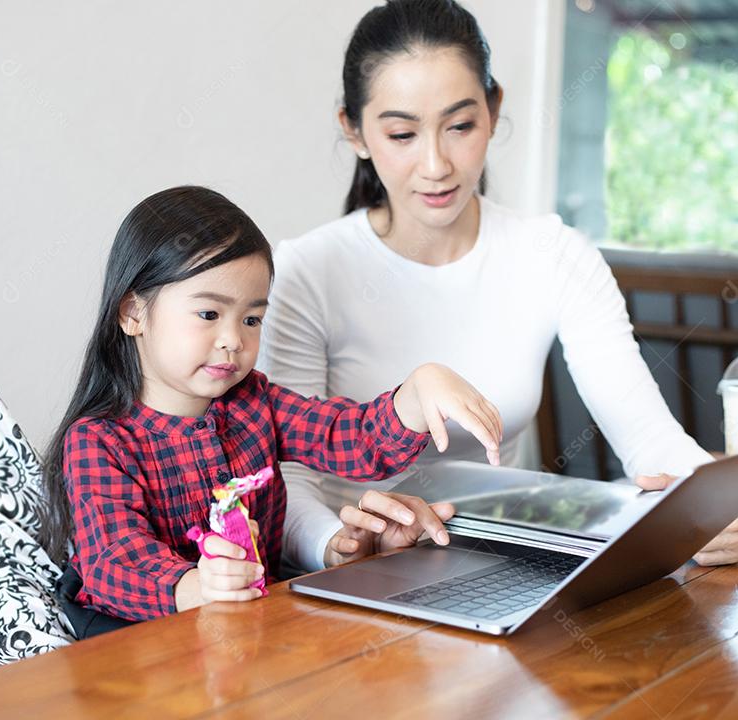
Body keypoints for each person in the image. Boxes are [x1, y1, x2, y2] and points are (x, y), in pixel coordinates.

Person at [257, 0, 738, 574]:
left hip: (504, 561)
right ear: (355, 130)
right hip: (356, 575)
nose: (436, 164)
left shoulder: (553, 254)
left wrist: (708, 505)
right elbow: (284, 478)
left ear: (493, 111)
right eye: (402, 134)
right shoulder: (305, 272)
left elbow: (648, 437)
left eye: (460, 126)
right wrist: (337, 544)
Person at [39, 185, 504, 638]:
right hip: (135, 632)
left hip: (242, 619)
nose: (233, 340)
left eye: (251, 319)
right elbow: (114, 559)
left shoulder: (255, 401)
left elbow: (347, 435)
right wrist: (193, 587)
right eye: (208, 314)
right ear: (133, 313)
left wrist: (419, 390)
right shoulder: (99, 439)